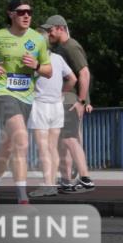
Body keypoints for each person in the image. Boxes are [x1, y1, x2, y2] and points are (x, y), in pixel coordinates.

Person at [0, 0, 52, 204]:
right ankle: (22, 199)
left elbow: (48, 71)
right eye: (22, 12)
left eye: (30, 12)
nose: (27, 15)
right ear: (11, 14)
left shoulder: (38, 39)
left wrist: (35, 66)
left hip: (26, 96)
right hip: (3, 91)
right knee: (22, 139)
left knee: (8, 145)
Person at [41, 15, 95, 193]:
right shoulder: (61, 48)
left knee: (70, 139)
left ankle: (84, 178)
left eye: (51, 30)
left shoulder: (70, 46)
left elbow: (84, 73)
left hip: (71, 102)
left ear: (60, 28)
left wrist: (82, 101)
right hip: (66, 100)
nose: (49, 34)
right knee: (64, 142)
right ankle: (67, 180)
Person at [28, 28, 76, 198]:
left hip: (40, 105)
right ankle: (53, 183)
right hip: (57, 106)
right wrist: (62, 92)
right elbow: (73, 79)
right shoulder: (58, 58)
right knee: (53, 147)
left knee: (43, 148)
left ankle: (48, 185)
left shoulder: (32, 61)